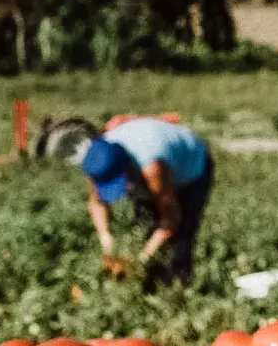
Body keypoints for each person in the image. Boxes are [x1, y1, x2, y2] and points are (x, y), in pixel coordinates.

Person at [77, 116, 214, 286]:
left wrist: (141, 258)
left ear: (127, 168)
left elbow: (171, 219)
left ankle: (177, 290)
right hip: (148, 163)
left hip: (191, 170)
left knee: (180, 237)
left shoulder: (151, 165)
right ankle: (148, 283)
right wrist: (107, 242)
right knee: (145, 224)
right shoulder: (97, 159)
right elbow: (97, 202)